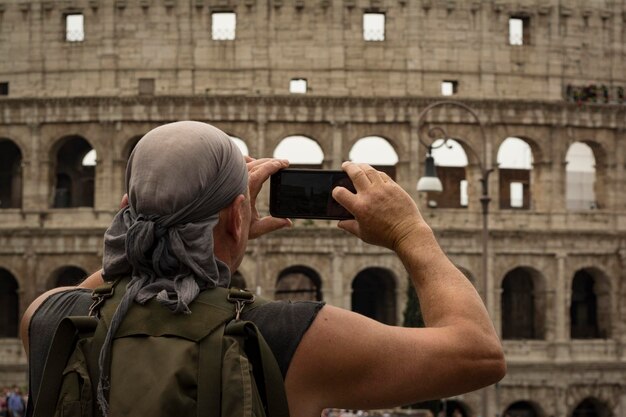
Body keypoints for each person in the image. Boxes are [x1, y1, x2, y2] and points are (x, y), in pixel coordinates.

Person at [20, 121, 506, 417]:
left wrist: (195, 234)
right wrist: (409, 232)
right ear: (237, 217)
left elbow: (108, 284)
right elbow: (479, 354)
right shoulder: (288, 337)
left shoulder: (48, 320)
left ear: (127, 213)